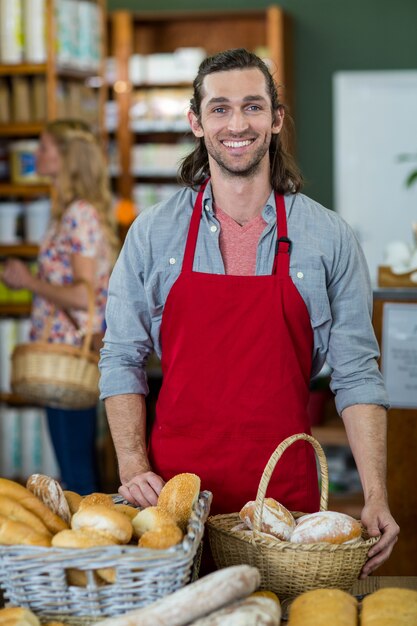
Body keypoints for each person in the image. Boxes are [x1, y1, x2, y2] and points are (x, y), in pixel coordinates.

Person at [99, 48, 399, 576]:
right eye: (219, 108)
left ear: (276, 119)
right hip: (175, 498)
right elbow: (121, 355)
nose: (237, 124)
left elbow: (356, 373)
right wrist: (132, 462)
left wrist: (375, 493)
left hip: (287, 500)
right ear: (195, 121)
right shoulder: (152, 233)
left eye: (253, 107)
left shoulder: (328, 237)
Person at [1, 119, 119, 494]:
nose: (36, 155)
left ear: (68, 158)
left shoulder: (79, 214)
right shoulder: (71, 211)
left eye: (45, 148)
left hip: (68, 353)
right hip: (64, 353)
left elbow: (84, 297)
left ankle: (90, 546)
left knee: (75, 465)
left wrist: (28, 280)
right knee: (74, 459)